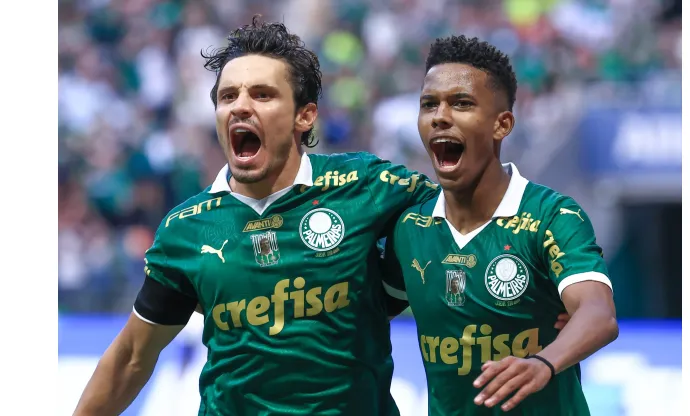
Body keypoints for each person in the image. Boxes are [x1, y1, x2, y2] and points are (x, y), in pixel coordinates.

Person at [72, 17, 440, 416]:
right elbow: (131, 358)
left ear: (305, 116)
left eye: (262, 95)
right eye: (228, 96)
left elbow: (467, 224)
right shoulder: (187, 230)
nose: (240, 106)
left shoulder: (366, 185)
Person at [380, 35, 618, 415]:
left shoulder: (552, 216)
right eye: (429, 104)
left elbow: (598, 314)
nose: (440, 116)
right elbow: (367, 309)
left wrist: (544, 362)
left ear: (502, 124)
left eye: (461, 103)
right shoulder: (410, 227)